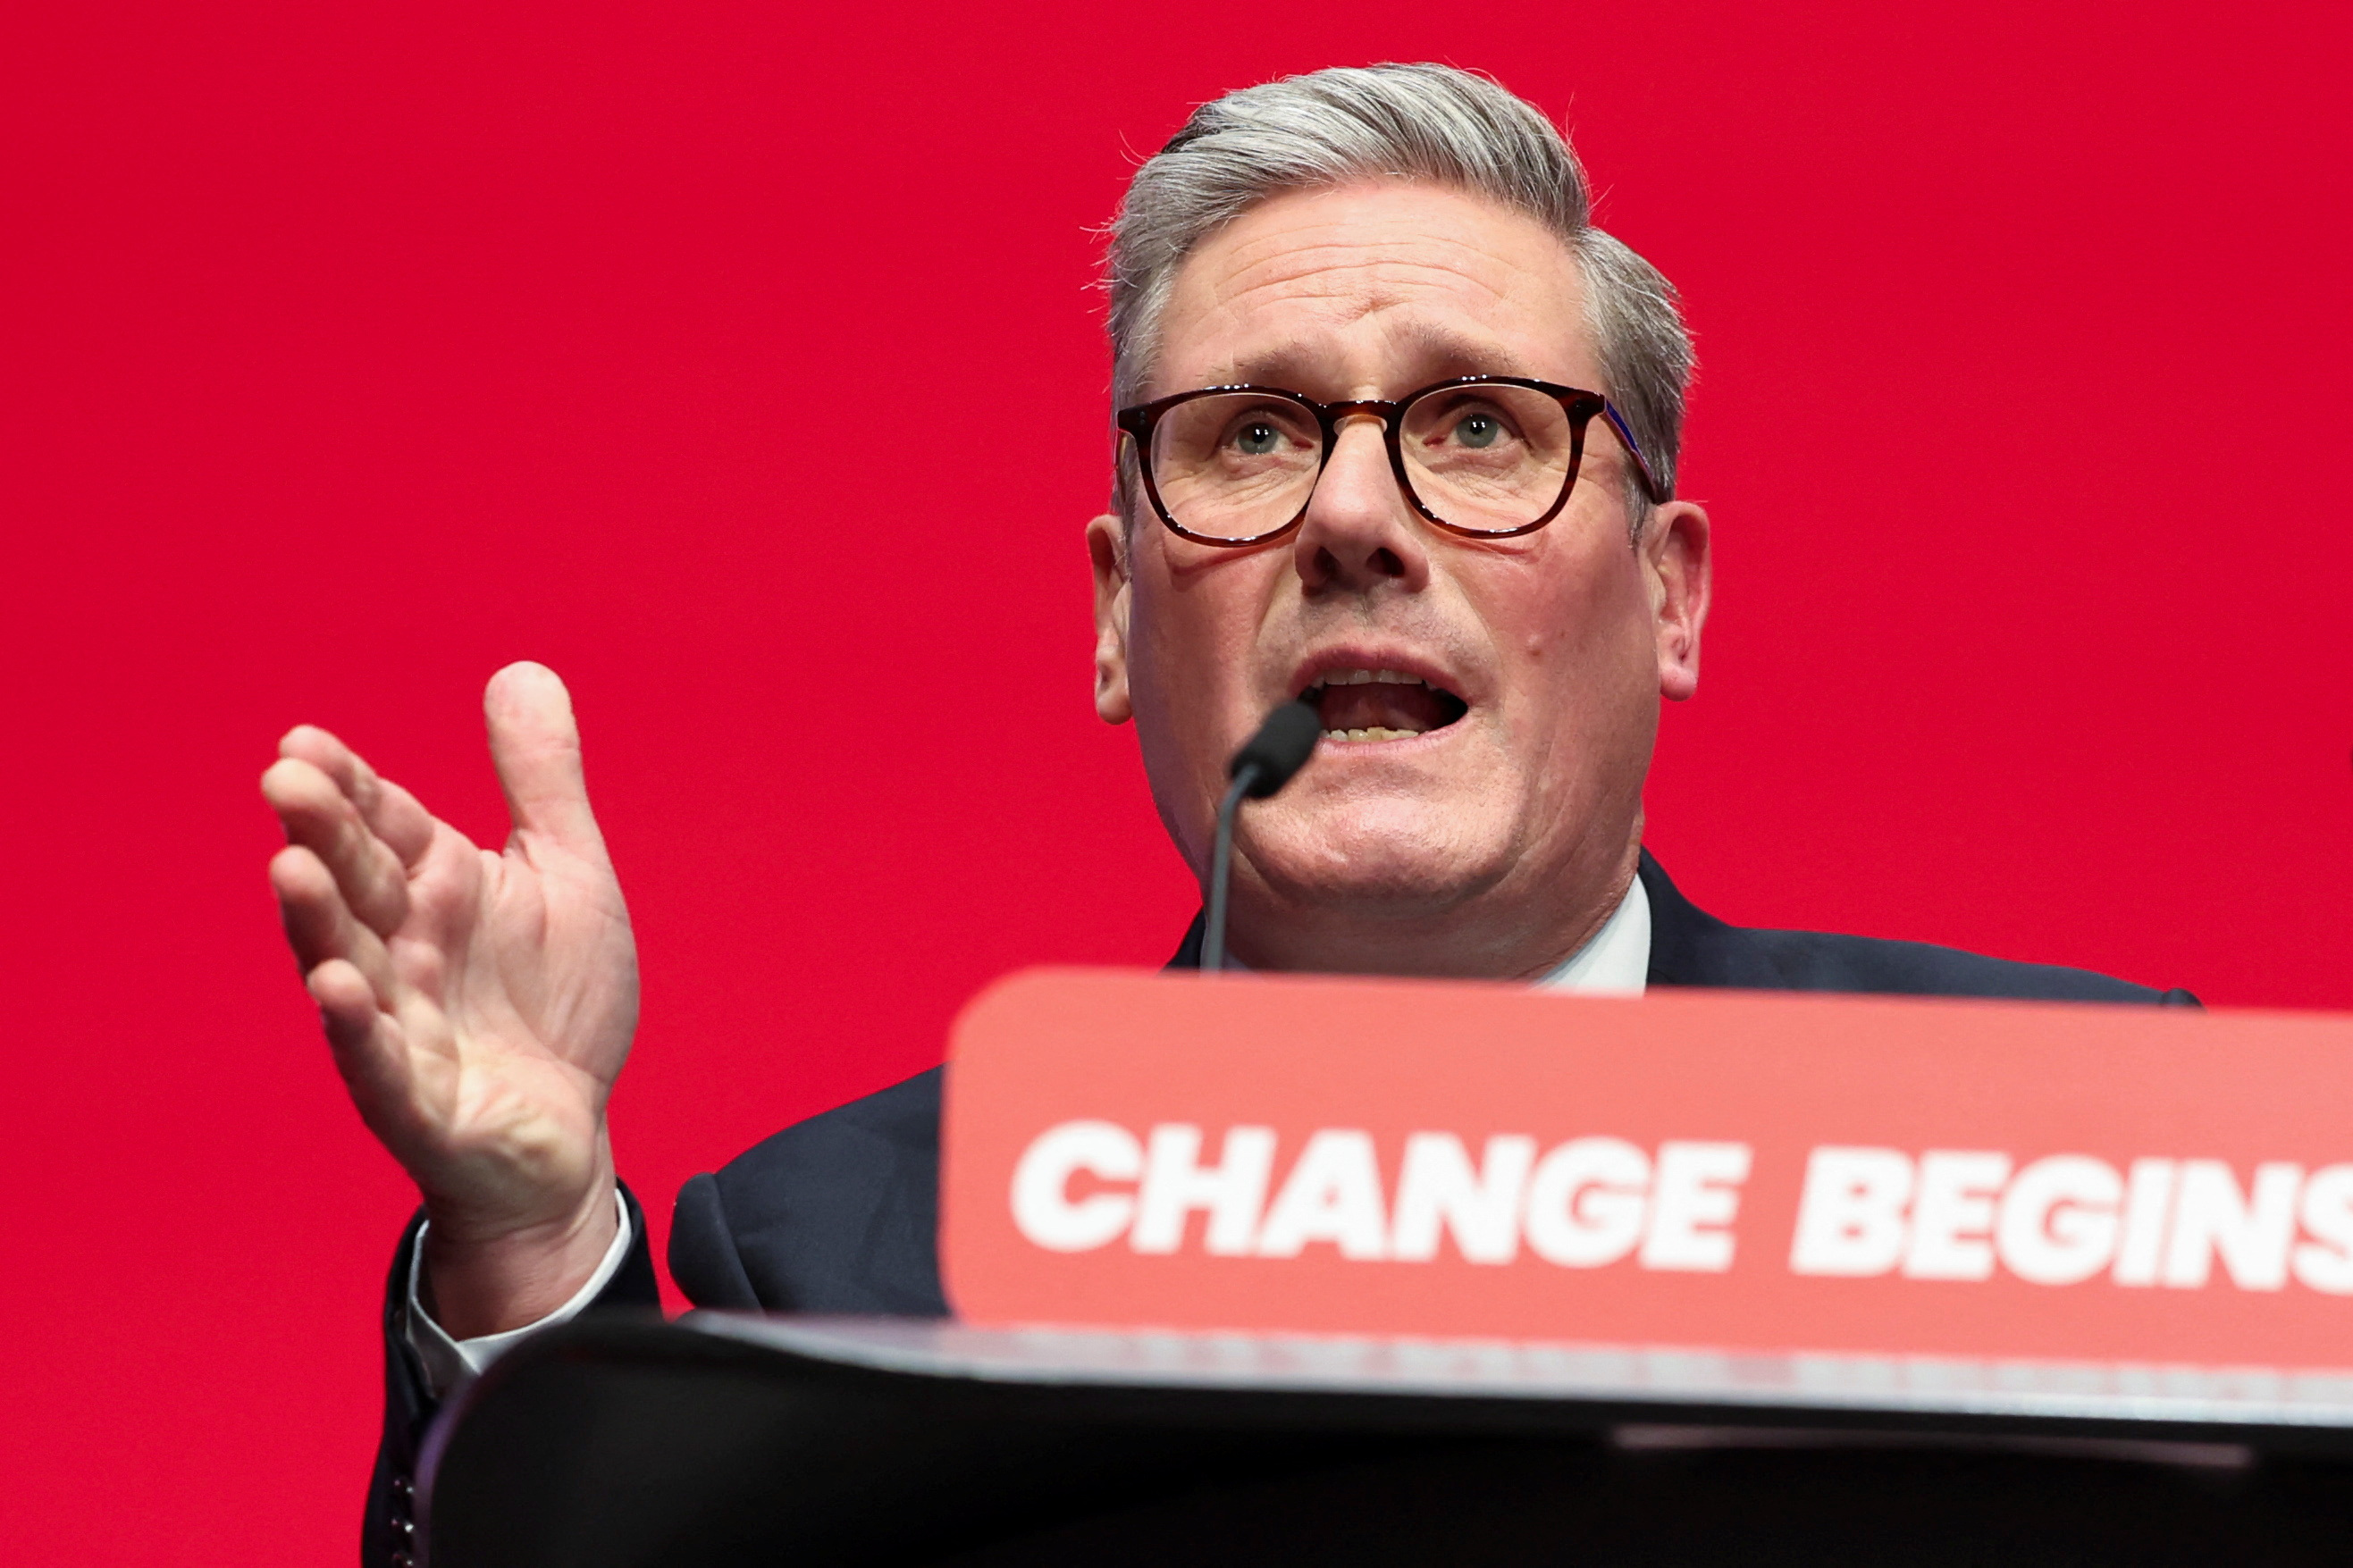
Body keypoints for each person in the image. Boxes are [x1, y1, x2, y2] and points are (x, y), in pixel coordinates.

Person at [259, 63, 2193, 1566]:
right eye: (1252, 435)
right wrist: (530, 1250)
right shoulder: (846, 1257)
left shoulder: (2079, 1157)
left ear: (1668, 594)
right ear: (1118, 620)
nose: (1350, 518)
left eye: (1478, 427)